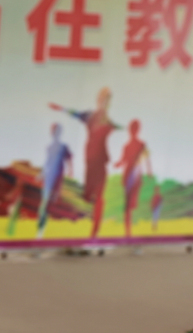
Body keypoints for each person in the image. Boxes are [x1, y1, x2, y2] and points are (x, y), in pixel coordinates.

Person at [49, 87, 121, 238]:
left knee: (99, 196)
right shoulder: (90, 116)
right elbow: (75, 114)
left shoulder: (108, 121)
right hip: (90, 160)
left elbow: (118, 127)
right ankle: (79, 217)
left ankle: (95, 231)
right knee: (87, 196)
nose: (104, 102)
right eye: (102, 98)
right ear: (98, 100)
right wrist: (61, 108)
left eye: (107, 99)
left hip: (100, 161)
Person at [114, 119, 153, 238]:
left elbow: (147, 158)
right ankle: (128, 231)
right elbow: (123, 160)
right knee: (127, 205)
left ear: (138, 130)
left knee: (133, 204)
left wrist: (149, 171)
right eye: (131, 129)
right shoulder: (126, 146)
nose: (133, 131)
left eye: (135, 129)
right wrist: (117, 164)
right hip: (128, 176)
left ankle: (134, 228)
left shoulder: (142, 144)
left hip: (136, 175)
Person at [36, 123, 73, 239]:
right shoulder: (49, 147)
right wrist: (41, 174)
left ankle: (42, 231)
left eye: (56, 131)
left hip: (57, 179)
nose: (54, 133)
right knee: (44, 204)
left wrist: (70, 171)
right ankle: (40, 230)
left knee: (50, 204)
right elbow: (47, 162)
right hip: (48, 179)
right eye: (53, 131)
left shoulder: (63, 147)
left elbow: (69, 159)